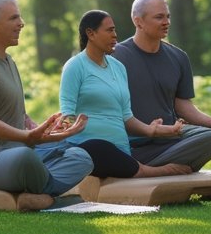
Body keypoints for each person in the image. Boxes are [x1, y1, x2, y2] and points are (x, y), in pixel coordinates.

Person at [0, 0, 94, 210]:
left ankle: (40, 194)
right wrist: (28, 137)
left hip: (14, 150)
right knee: (25, 159)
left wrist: (44, 131)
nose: (22, 24)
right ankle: (52, 198)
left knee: (80, 154)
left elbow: (18, 118)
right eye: (14, 18)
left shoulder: (8, 61)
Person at [60, 10, 194, 178]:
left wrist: (154, 130)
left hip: (121, 150)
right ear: (91, 33)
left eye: (115, 30)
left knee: (201, 138)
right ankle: (157, 170)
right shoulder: (74, 66)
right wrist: (72, 128)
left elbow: (126, 116)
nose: (115, 35)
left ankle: (136, 167)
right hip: (88, 149)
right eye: (109, 30)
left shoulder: (118, 67)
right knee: (98, 147)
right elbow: (67, 114)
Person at [112, 0, 211, 171]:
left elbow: (182, 104)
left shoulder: (179, 57)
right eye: (159, 17)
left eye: (168, 16)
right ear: (138, 21)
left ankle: (154, 168)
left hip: (172, 137)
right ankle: (165, 167)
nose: (166, 22)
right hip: (133, 142)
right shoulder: (116, 57)